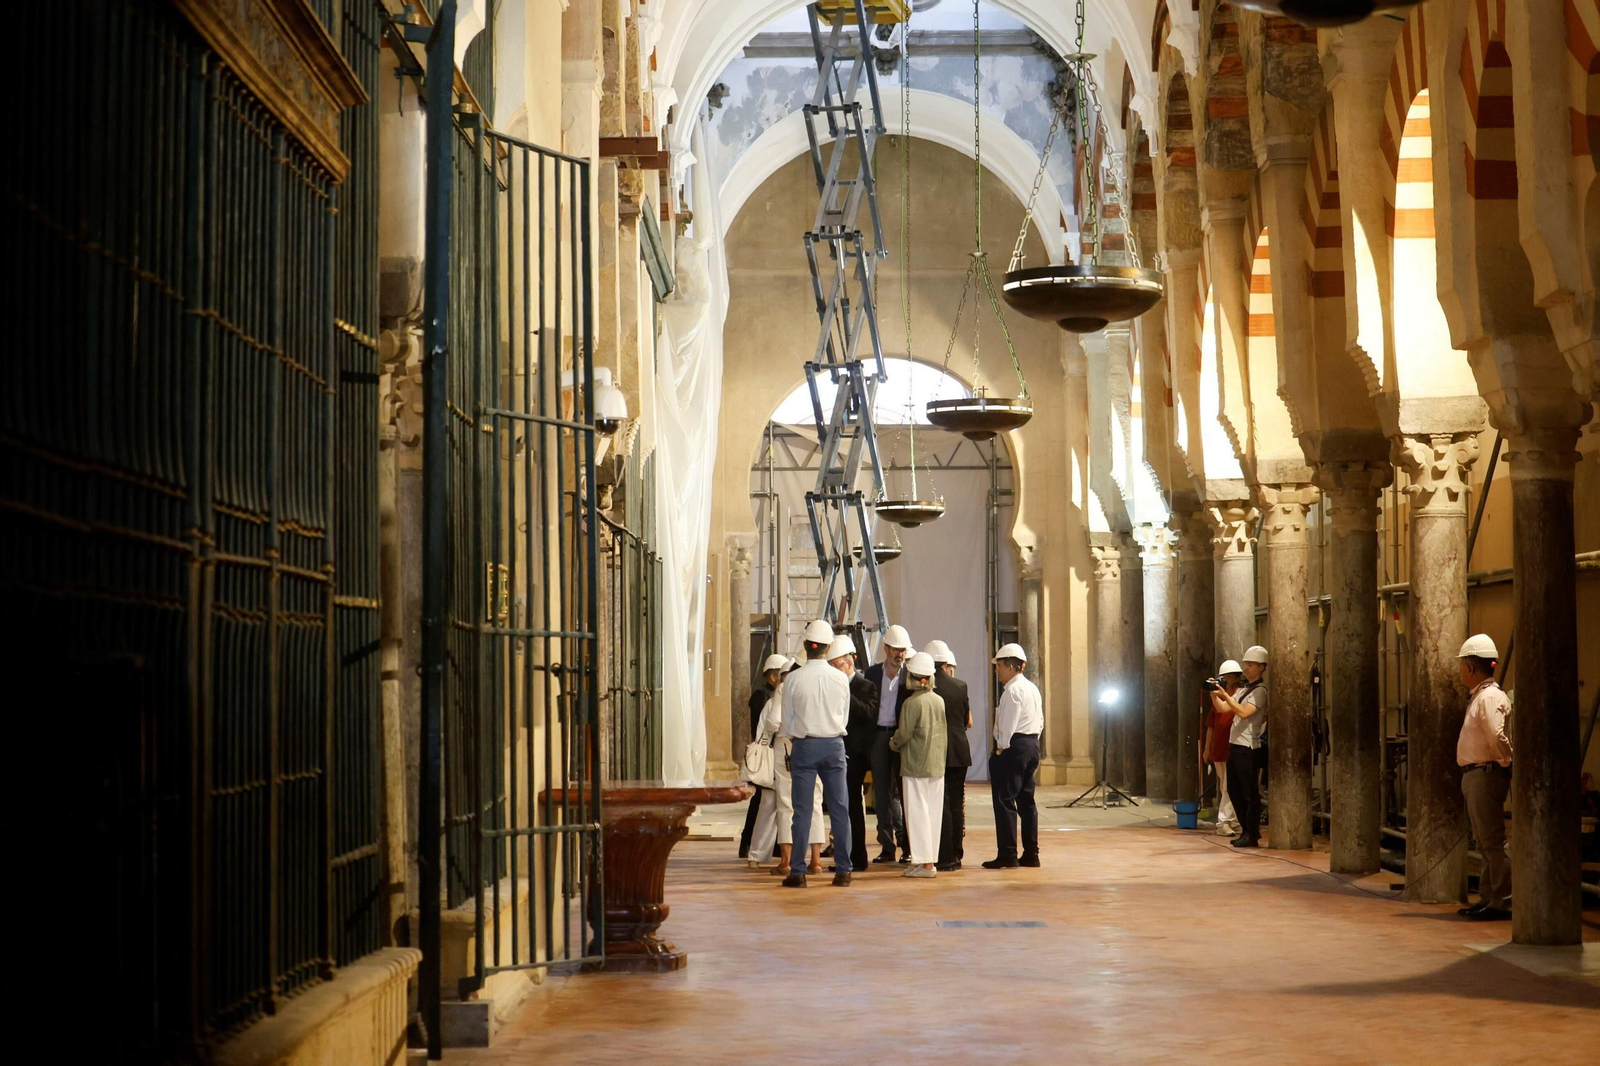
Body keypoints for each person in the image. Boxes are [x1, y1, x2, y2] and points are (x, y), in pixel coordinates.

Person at [780, 619, 856, 888]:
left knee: (802, 811)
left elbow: (786, 721)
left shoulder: (793, 679)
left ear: (806, 645)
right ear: (828, 647)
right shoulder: (841, 678)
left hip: (805, 745)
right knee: (840, 809)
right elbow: (844, 717)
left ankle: (797, 872)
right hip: (834, 745)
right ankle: (843, 871)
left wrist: (800, 735)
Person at [1455, 633, 1513, 921]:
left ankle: (1501, 901)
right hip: (1479, 774)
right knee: (1484, 842)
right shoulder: (1481, 696)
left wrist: (1504, 761)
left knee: (1492, 842)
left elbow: (1496, 735)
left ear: (1470, 667)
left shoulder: (1489, 697)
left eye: (1461, 665)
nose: (1460, 671)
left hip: (1485, 774)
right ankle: (1489, 898)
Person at [754, 658, 822, 876]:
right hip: (816, 744)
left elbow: (773, 722)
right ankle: (815, 861)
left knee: (786, 803)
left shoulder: (785, 687)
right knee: (814, 802)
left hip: (787, 747)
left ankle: (786, 861)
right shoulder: (816, 683)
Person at [983, 643, 1044, 869]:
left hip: (1015, 747)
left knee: (1004, 800)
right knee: (1027, 803)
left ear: (1010, 666)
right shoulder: (1032, 688)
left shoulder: (1012, 690)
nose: (996, 670)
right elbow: (1040, 721)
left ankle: (1008, 854)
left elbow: (1007, 726)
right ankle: (1031, 854)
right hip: (1032, 744)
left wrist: (1000, 749)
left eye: (999, 665)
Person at [891, 652, 948, 878]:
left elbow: (903, 734)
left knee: (917, 814)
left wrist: (893, 743)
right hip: (936, 763)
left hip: (915, 764)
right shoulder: (938, 700)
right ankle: (925, 861)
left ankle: (925, 864)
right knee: (933, 814)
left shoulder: (911, 703)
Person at [863, 624, 915, 863]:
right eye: (896, 649)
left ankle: (907, 846)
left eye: (903, 650)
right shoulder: (872, 674)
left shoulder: (910, 675)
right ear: (886, 648)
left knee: (902, 793)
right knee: (881, 794)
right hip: (879, 736)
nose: (900, 654)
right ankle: (886, 846)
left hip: (901, 737)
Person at [1210, 644, 1269, 848]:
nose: (1247, 668)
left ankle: (1251, 833)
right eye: (1246, 664)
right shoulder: (1244, 690)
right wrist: (1214, 694)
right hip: (1234, 746)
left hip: (1248, 748)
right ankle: (1246, 830)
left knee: (1249, 792)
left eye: (1251, 664)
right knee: (1234, 790)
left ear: (1261, 667)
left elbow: (1243, 713)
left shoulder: (1260, 691)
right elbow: (1223, 708)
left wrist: (1226, 695)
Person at [832, 633, 878, 876]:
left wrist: (845, 694)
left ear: (848, 664)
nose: (832, 671)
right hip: (836, 751)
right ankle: (844, 854)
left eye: (836, 666)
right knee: (839, 806)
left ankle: (857, 857)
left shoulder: (865, 686)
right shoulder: (833, 685)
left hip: (855, 755)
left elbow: (869, 714)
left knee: (852, 807)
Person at [924, 639, 972, 871]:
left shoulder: (927, 688)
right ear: (946, 663)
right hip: (959, 752)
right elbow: (964, 720)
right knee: (956, 804)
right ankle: (956, 853)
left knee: (940, 805)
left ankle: (943, 855)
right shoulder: (960, 686)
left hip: (937, 752)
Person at [740, 653, 790, 863]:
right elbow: (770, 726)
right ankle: (754, 850)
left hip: (776, 759)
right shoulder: (766, 698)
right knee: (767, 806)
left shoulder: (774, 698)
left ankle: (762, 852)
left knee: (769, 807)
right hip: (772, 759)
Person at [1203, 659, 1244, 838]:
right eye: (1226, 678)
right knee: (1226, 786)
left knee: (1232, 786)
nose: (1229, 680)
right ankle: (1226, 821)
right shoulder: (1221, 700)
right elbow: (1211, 726)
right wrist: (1207, 749)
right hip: (1220, 748)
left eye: (1232, 677)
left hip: (1236, 745)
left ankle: (1232, 820)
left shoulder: (1242, 696)